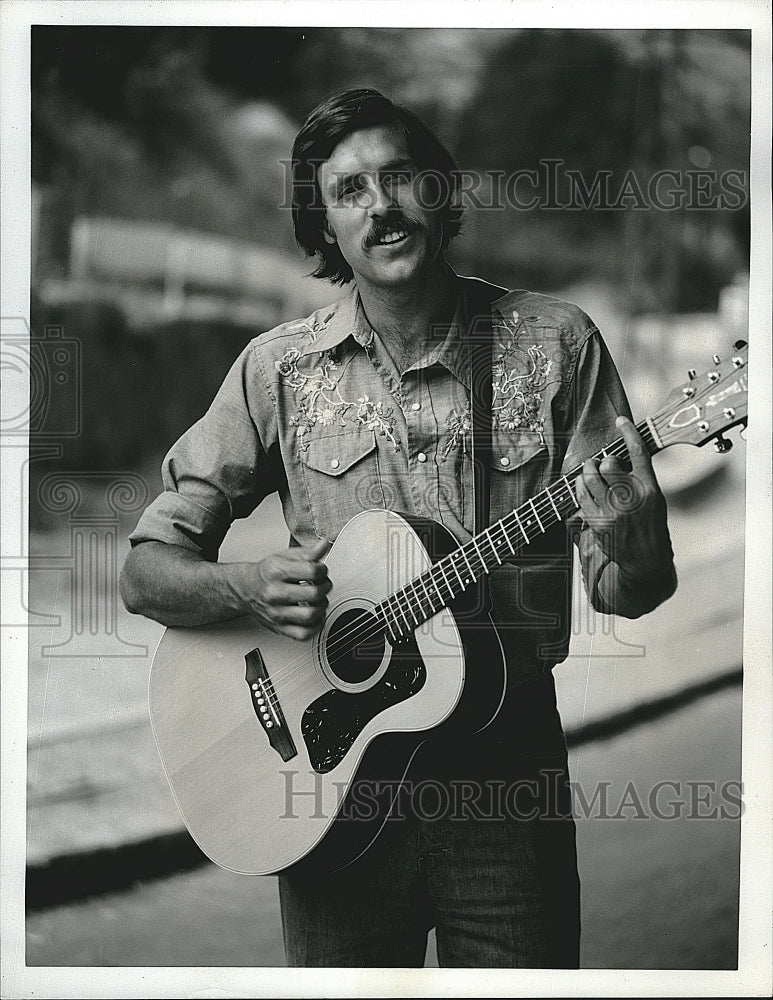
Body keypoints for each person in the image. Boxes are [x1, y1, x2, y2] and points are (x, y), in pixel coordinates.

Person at [120, 88, 677, 968]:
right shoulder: (277, 371)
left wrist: (643, 556)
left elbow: (625, 589)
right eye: (348, 192)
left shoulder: (554, 345)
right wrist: (245, 585)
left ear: (440, 194)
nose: (380, 207)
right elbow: (147, 569)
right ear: (324, 228)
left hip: (505, 788)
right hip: (328, 790)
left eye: (400, 177)